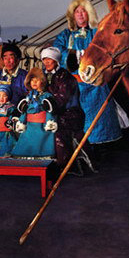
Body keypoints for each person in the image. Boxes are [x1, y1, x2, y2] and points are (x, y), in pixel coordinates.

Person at [53, 0, 122, 157]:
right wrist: (76, 54)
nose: (80, 14)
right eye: (77, 11)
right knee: (76, 118)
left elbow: (108, 48)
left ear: (89, 13)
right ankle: (77, 149)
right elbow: (56, 52)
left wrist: (91, 56)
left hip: (96, 84)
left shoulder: (97, 32)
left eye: (83, 11)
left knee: (99, 117)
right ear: (72, 15)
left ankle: (101, 150)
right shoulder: (65, 35)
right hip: (74, 86)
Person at [40, 46, 90, 174]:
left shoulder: (65, 76)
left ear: (56, 61)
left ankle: (62, 165)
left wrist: (48, 105)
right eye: (44, 59)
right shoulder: (41, 75)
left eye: (49, 59)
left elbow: (62, 98)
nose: (46, 62)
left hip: (69, 113)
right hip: (48, 112)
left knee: (58, 132)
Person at [10, 67, 57, 159]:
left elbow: (49, 111)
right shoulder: (28, 97)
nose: (34, 82)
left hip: (42, 126)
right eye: (32, 80)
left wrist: (50, 122)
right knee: (26, 144)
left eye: (37, 80)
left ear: (42, 82)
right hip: (29, 126)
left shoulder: (46, 96)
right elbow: (24, 112)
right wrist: (21, 122)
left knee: (42, 146)